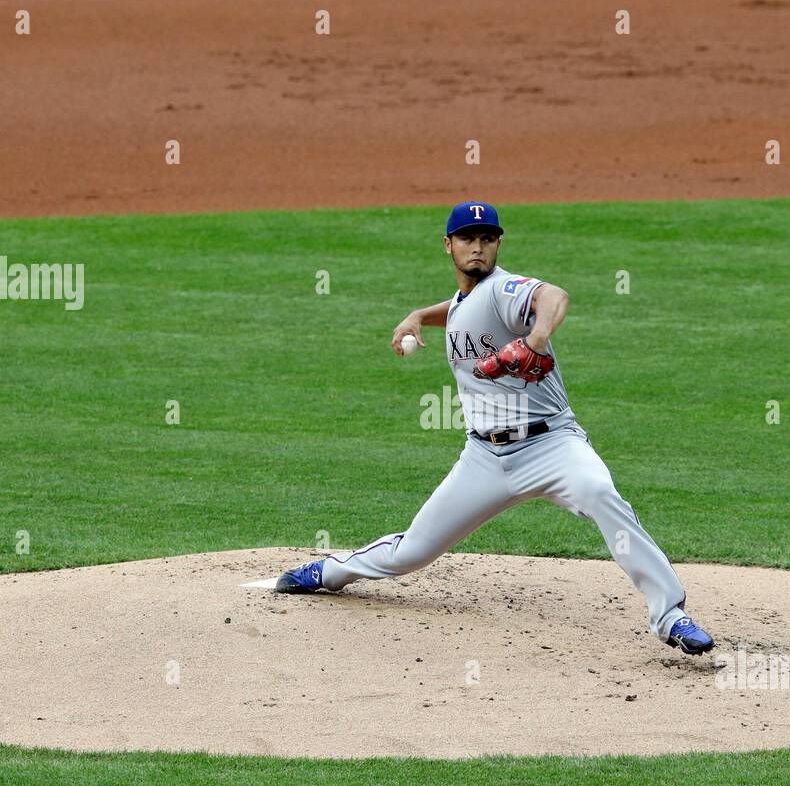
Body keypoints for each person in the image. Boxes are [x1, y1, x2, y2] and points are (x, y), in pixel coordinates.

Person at [274, 200, 714, 655]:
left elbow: (554, 296)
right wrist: (419, 315)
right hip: (484, 458)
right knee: (414, 551)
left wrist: (537, 338)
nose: (478, 247)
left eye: (487, 239)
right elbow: (462, 307)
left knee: (602, 496)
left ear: (498, 243)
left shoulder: (506, 289)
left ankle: (670, 615)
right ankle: (329, 572)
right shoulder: (470, 299)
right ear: (449, 245)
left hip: (553, 446)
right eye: (468, 238)